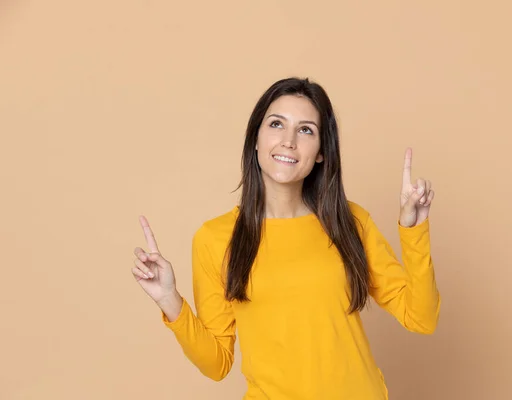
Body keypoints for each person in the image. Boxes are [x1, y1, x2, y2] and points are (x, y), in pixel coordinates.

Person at [132, 77, 441, 399]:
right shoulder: (215, 238)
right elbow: (216, 364)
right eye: (277, 124)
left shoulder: (350, 222)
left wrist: (414, 231)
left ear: (321, 152)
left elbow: (422, 317)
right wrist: (169, 299)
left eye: (306, 129)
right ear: (256, 138)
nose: (289, 141)